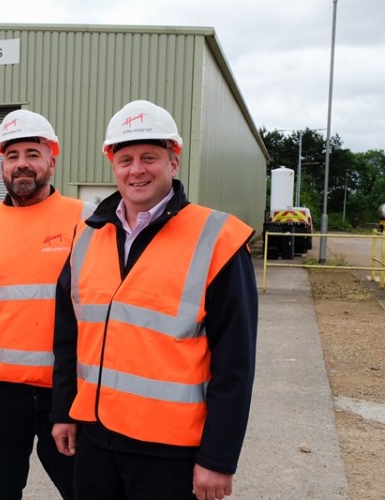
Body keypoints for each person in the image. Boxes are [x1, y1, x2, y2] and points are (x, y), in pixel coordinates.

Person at [50, 100, 258, 500]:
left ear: (173, 162)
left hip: (170, 453)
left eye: (149, 157)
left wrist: (218, 459)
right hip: (95, 441)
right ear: (113, 164)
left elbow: (235, 366)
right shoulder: (87, 236)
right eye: (125, 159)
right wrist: (63, 412)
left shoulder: (218, 240)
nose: (136, 169)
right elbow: (68, 338)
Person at [0, 109, 93, 500]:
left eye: (33, 153)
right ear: (2, 164)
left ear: (52, 159)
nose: (22, 164)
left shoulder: (85, 221)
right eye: (12, 156)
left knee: (83, 489)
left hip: (66, 393)